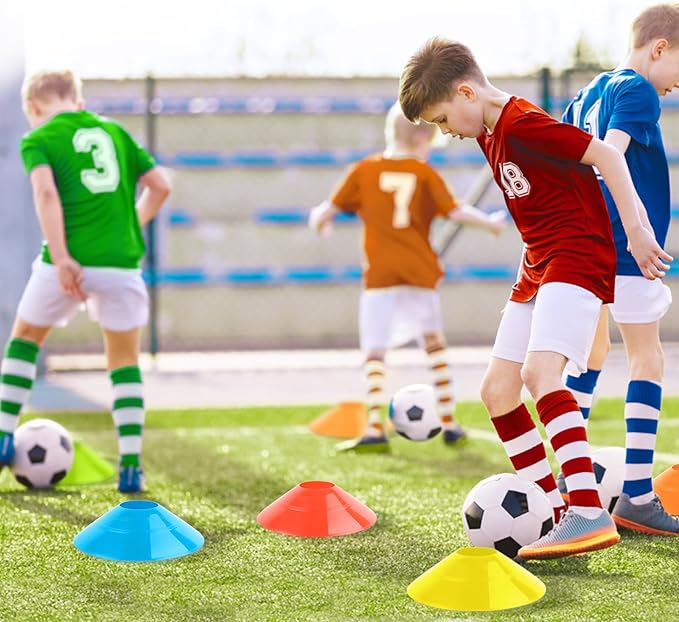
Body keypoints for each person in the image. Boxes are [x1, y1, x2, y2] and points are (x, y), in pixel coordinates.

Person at [398, 37, 672, 559]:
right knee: (498, 392)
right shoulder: (486, 128)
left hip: (577, 252)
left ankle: (587, 512)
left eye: (441, 119)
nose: (446, 133)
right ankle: (547, 511)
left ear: (465, 92)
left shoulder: (522, 122)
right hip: (539, 261)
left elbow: (608, 159)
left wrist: (636, 232)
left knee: (539, 375)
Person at [0, 70, 171, 492]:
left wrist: (61, 258)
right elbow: (161, 186)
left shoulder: (38, 138)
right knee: (124, 362)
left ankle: (4, 435)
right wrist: (129, 227)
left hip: (69, 261)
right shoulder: (115, 132)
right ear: (77, 100)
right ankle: (130, 465)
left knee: (24, 338)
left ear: (32, 107)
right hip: (121, 264)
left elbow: (46, 194)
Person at [309, 102, 505, 452]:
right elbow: (456, 210)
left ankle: (373, 427)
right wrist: (489, 223)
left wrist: (319, 221)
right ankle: (449, 421)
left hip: (380, 274)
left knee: (375, 352)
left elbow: (329, 209)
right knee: (433, 343)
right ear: (421, 137)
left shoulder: (364, 170)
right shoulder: (424, 174)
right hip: (419, 271)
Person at [559, 3, 679, 535]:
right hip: (627, 249)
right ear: (660, 49)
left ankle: (569, 484)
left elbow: (568, 161)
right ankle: (634, 494)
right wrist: (635, 229)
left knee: (590, 353)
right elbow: (610, 154)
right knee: (647, 358)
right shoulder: (638, 91)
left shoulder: (587, 94)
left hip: (587, 246)